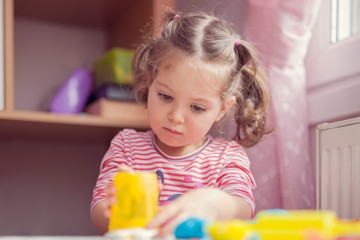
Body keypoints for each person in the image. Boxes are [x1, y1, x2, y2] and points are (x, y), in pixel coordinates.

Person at [90, 10, 270, 236]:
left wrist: (215, 202)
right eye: (166, 96)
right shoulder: (127, 146)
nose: (176, 116)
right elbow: (98, 214)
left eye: (197, 107)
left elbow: (243, 210)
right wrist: (113, 208)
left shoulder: (227, 157)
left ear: (222, 109)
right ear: (150, 81)